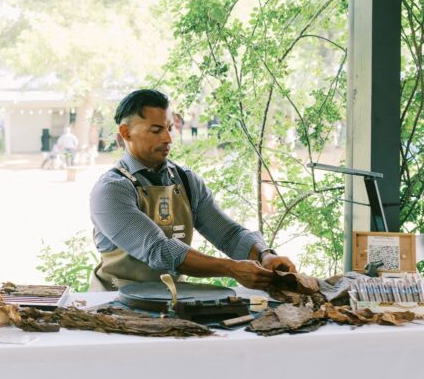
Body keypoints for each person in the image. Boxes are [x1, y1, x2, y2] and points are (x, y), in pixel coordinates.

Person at [89, 89, 296, 291]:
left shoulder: (186, 180)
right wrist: (231, 269)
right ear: (126, 133)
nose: (168, 138)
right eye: (156, 130)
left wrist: (264, 255)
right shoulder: (111, 190)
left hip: (170, 303)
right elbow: (160, 251)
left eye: (169, 128)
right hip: (113, 307)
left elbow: (229, 235)